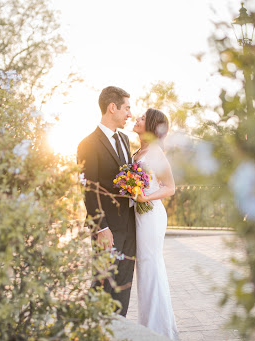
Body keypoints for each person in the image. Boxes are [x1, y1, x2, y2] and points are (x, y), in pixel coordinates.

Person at [77, 86, 135, 317]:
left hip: (130, 224)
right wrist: (101, 227)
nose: (130, 114)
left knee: (123, 285)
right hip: (107, 227)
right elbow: (88, 188)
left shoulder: (125, 139)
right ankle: (93, 329)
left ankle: (117, 330)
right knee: (103, 283)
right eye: (127, 108)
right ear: (113, 108)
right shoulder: (87, 144)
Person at [132, 108, 179, 340]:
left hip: (151, 216)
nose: (136, 119)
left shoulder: (156, 153)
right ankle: (150, 328)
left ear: (149, 125)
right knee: (146, 270)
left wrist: (144, 197)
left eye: (141, 118)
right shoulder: (138, 151)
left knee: (151, 268)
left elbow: (170, 187)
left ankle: (156, 331)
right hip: (138, 216)